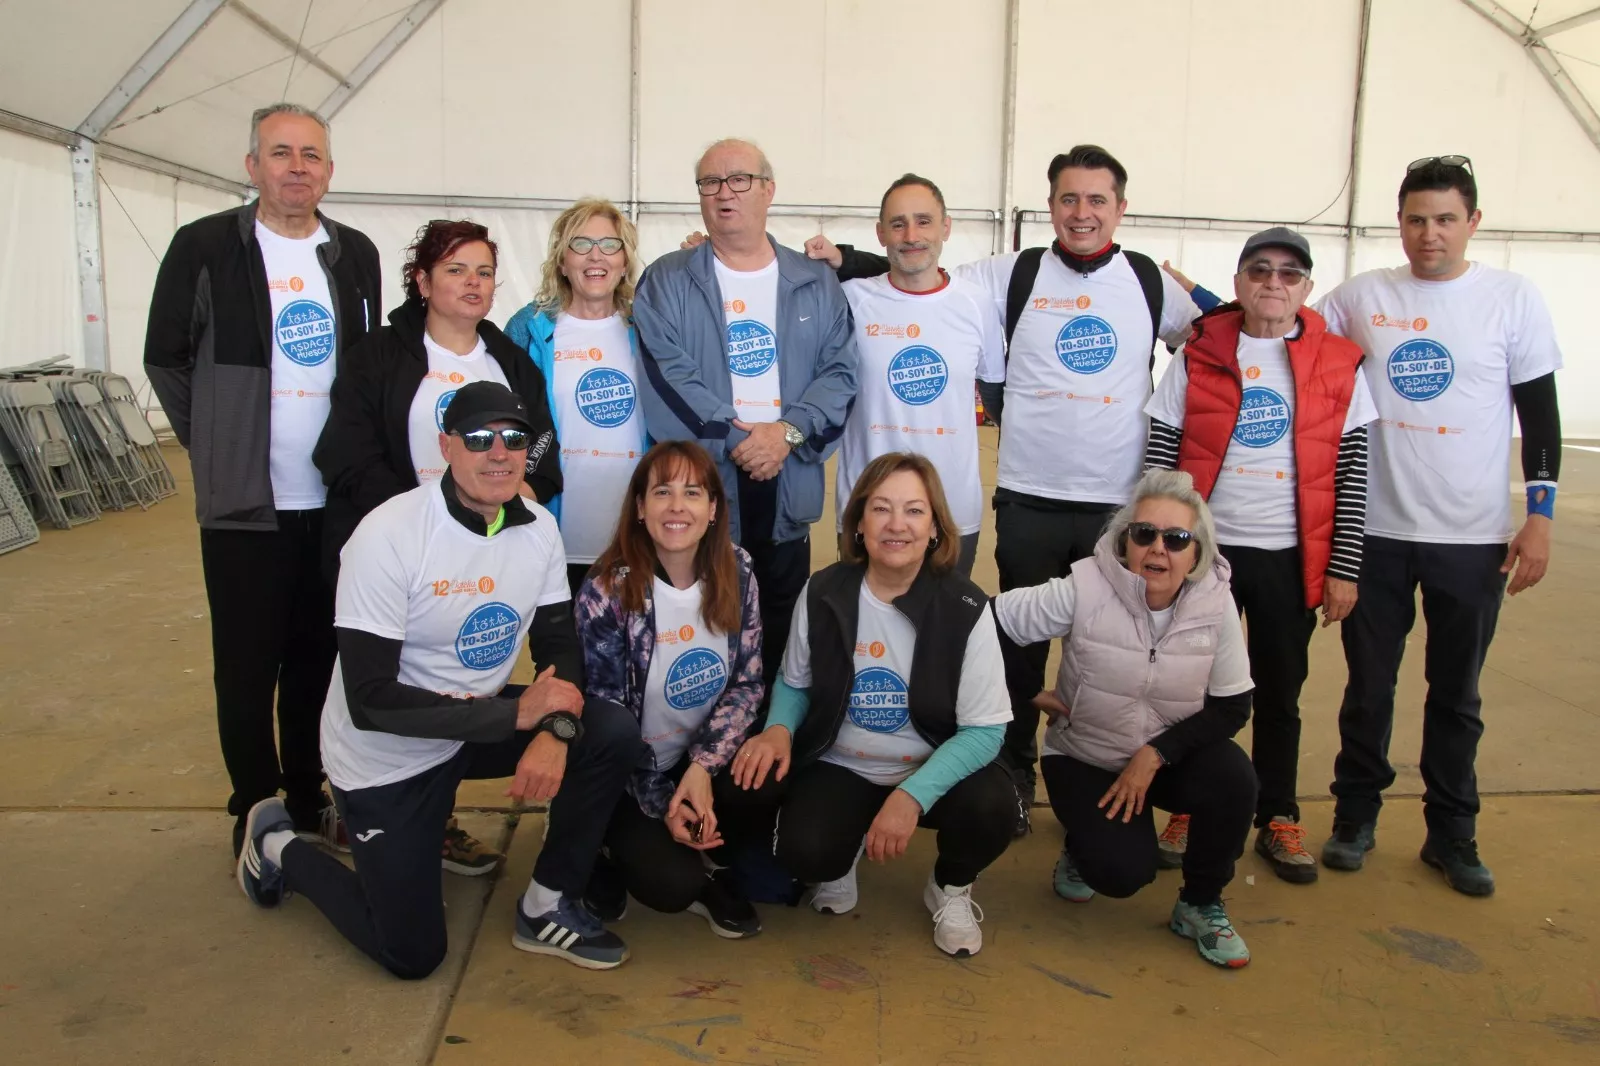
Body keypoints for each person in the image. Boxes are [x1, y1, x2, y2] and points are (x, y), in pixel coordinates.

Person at [808, 146, 1202, 834]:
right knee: (1016, 646)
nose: (1082, 213)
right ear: (1050, 206)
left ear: (1120, 208)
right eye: (1069, 199)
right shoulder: (1008, 275)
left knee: (1111, 650)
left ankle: (1106, 781)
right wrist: (842, 257)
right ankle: (1013, 769)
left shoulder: (1147, 280)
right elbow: (915, 267)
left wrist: (1249, 303)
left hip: (1119, 504)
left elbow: (1214, 334)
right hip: (1026, 496)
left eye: (1097, 200)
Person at [235, 382, 643, 977]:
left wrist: (556, 731)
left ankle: (548, 904)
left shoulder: (538, 528)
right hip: (386, 757)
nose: (499, 452)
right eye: (479, 438)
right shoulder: (388, 535)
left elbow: (559, 648)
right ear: (446, 447)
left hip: (469, 726)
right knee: (411, 954)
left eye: (514, 438)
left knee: (608, 730)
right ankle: (277, 844)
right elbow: (371, 701)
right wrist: (516, 715)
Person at [1313, 156, 1562, 897]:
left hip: (1473, 539)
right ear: (1399, 222)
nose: (1430, 234)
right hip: (1377, 535)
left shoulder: (1511, 299)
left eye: (1446, 219)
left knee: (1456, 695)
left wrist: (1540, 517)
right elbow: (1282, 324)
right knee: (1369, 687)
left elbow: (1540, 415)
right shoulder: (1361, 297)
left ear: (1473, 222)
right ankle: (1355, 816)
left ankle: (1452, 832)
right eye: (1417, 219)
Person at [144, 103, 382, 859]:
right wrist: (217, 443)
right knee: (247, 665)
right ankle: (255, 806)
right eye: (281, 152)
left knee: (317, 657)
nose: (296, 167)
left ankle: (308, 793)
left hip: (332, 500)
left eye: (311, 155)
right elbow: (165, 357)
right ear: (252, 165)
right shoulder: (206, 246)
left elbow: (366, 365)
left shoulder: (354, 253)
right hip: (247, 504)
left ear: (330, 171)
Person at [313, 217, 563, 873]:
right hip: (404, 557)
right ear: (422, 282)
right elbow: (346, 452)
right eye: (456, 270)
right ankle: (359, 806)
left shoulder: (508, 358)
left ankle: (436, 817)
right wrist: (425, 520)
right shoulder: (379, 354)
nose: (472, 283)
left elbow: (541, 446)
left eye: (484, 272)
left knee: (464, 676)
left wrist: (518, 487)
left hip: (485, 550)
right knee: (391, 683)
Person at [1143, 227, 1378, 884]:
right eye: (1260, 270)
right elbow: (1161, 452)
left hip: (1287, 556)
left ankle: (1277, 815)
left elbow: (1353, 472)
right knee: (1192, 689)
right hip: (1204, 558)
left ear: (1307, 288)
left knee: (1280, 691)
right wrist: (1155, 546)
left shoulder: (1340, 362)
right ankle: (1188, 804)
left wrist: (1344, 566)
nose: (1274, 282)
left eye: (1289, 273)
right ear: (1239, 282)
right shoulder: (1199, 353)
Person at [729, 452, 1015, 958]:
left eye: (914, 511)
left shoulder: (966, 606)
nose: (896, 524)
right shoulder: (822, 591)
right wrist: (778, 729)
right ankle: (845, 852)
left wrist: (911, 797)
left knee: (993, 807)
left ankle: (950, 887)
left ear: (935, 528)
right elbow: (794, 684)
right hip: (844, 763)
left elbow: (985, 732)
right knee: (805, 853)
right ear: (858, 522)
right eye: (881, 508)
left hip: (929, 765)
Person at [993, 469, 1257, 968]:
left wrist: (1156, 754)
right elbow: (989, 620)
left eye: (1176, 539)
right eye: (1144, 534)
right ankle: (1081, 847)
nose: (1158, 548)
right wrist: (1026, 692)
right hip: (1086, 756)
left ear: (1197, 552)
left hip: (1166, 760)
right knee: (1120, 874)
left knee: (1235, 779)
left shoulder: (1215, 601)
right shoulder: (1085, 587)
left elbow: (1233, 706)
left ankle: (1200, 904)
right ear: (1124, 542)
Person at [632, 137, 858, 695]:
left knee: (781, 638)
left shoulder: (815, 282)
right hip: (703, 490)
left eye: (739, 180)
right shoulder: (666, 280)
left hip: (787, 482)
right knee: (697, 638)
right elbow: (667, 375)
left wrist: (786, 433)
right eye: (710, 182)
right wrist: (737, 438)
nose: (724, 193)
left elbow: (840, 373)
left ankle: (771, 740)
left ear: (768, 190)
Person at [574, 441, 766, 937]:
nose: (677, 506)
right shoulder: (607, 590)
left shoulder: (738, 568)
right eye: (662, 492)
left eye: (693, 492)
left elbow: (747, 684)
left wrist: (701, 770)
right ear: (640, 508)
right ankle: (599, 842)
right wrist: (665, 802)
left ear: (713, 508)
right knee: (670, 886)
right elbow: (609, 719)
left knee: (765, 778)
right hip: (630, 772)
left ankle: (716, 861)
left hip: (699, 757)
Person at [834, 174, 1003, 577]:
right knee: (864, 619)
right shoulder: (851, 300)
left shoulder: (976, 304)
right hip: (868, 512)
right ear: (880, 233)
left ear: (946, 227)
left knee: (944, 618)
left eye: (924, 221)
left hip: (952, 513)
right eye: (898, 224)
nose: (911, 236)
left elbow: (996, 393)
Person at [506, 199, 650, 595]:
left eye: (610, 244)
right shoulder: (528, 328)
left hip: (637, 538)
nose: (596, 256)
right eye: (581, 244)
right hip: (550, 532)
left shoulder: (649, 326)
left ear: (625, 260)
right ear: (562, 260)